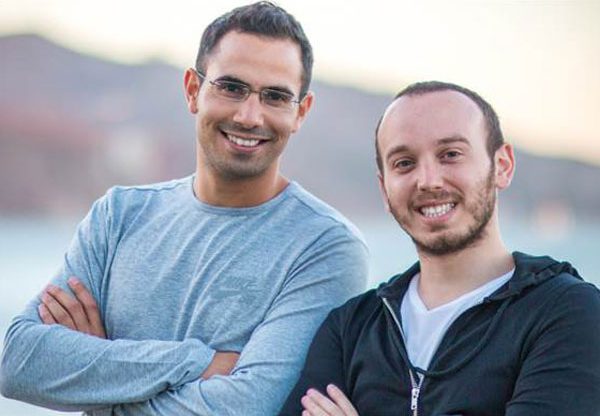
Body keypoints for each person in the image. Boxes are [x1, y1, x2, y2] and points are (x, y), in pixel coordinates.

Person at [0, 3, 369, 415]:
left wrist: (99, 378)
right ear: (193, 90)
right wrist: (200, 362)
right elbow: (19, 362)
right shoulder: (118, 216)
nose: (250, 116)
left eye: (275, 96)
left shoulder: (325, 247)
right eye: (231, 87)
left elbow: (247, 408)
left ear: (300, 111)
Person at [280, 81, 600, 415]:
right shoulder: (350, 328)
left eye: (450, 155)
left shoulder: (567, 311)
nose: (429, 181)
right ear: (384, 190)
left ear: (502, 166)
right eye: (404, 163)